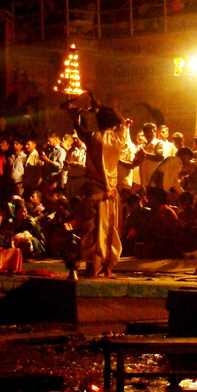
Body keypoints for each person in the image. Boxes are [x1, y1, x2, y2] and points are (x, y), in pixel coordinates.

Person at [64, 94, 129, 277]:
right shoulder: (119, 138)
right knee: (109, 230)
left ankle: (92, 267)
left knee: (92, 230)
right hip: (110, 192)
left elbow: (79, 128)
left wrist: (75, 116)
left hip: (94, 191)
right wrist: (102, 105)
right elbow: (122, 120)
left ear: (98, 121)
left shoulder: (94, 138)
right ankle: (107, 268)